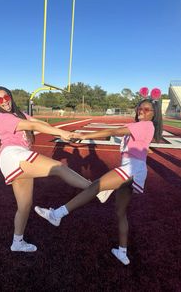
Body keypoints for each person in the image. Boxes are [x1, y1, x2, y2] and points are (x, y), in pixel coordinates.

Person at [35, 95, 163, 265]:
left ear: (154, 114)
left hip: (132, 168)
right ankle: (122, 252)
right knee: (120, 212)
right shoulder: (145, 126)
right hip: (136, 170)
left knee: (95, 186)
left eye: (147, 109)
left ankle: (57, 214)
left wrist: (84, 136)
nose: (142, 111)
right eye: (140, 108)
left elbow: (113, 132)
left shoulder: (143, 125)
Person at [0, 86, 91, 253]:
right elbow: (32, 124)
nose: (4, 101)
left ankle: (17, 242)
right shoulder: (2, 117)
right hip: (14, 155)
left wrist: (57, 130)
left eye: (6, 96)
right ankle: (95, 188)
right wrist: (61, 133)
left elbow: (38, 124)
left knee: (25, 205)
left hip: (17, 158)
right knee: (59, 168)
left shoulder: (17, 113)